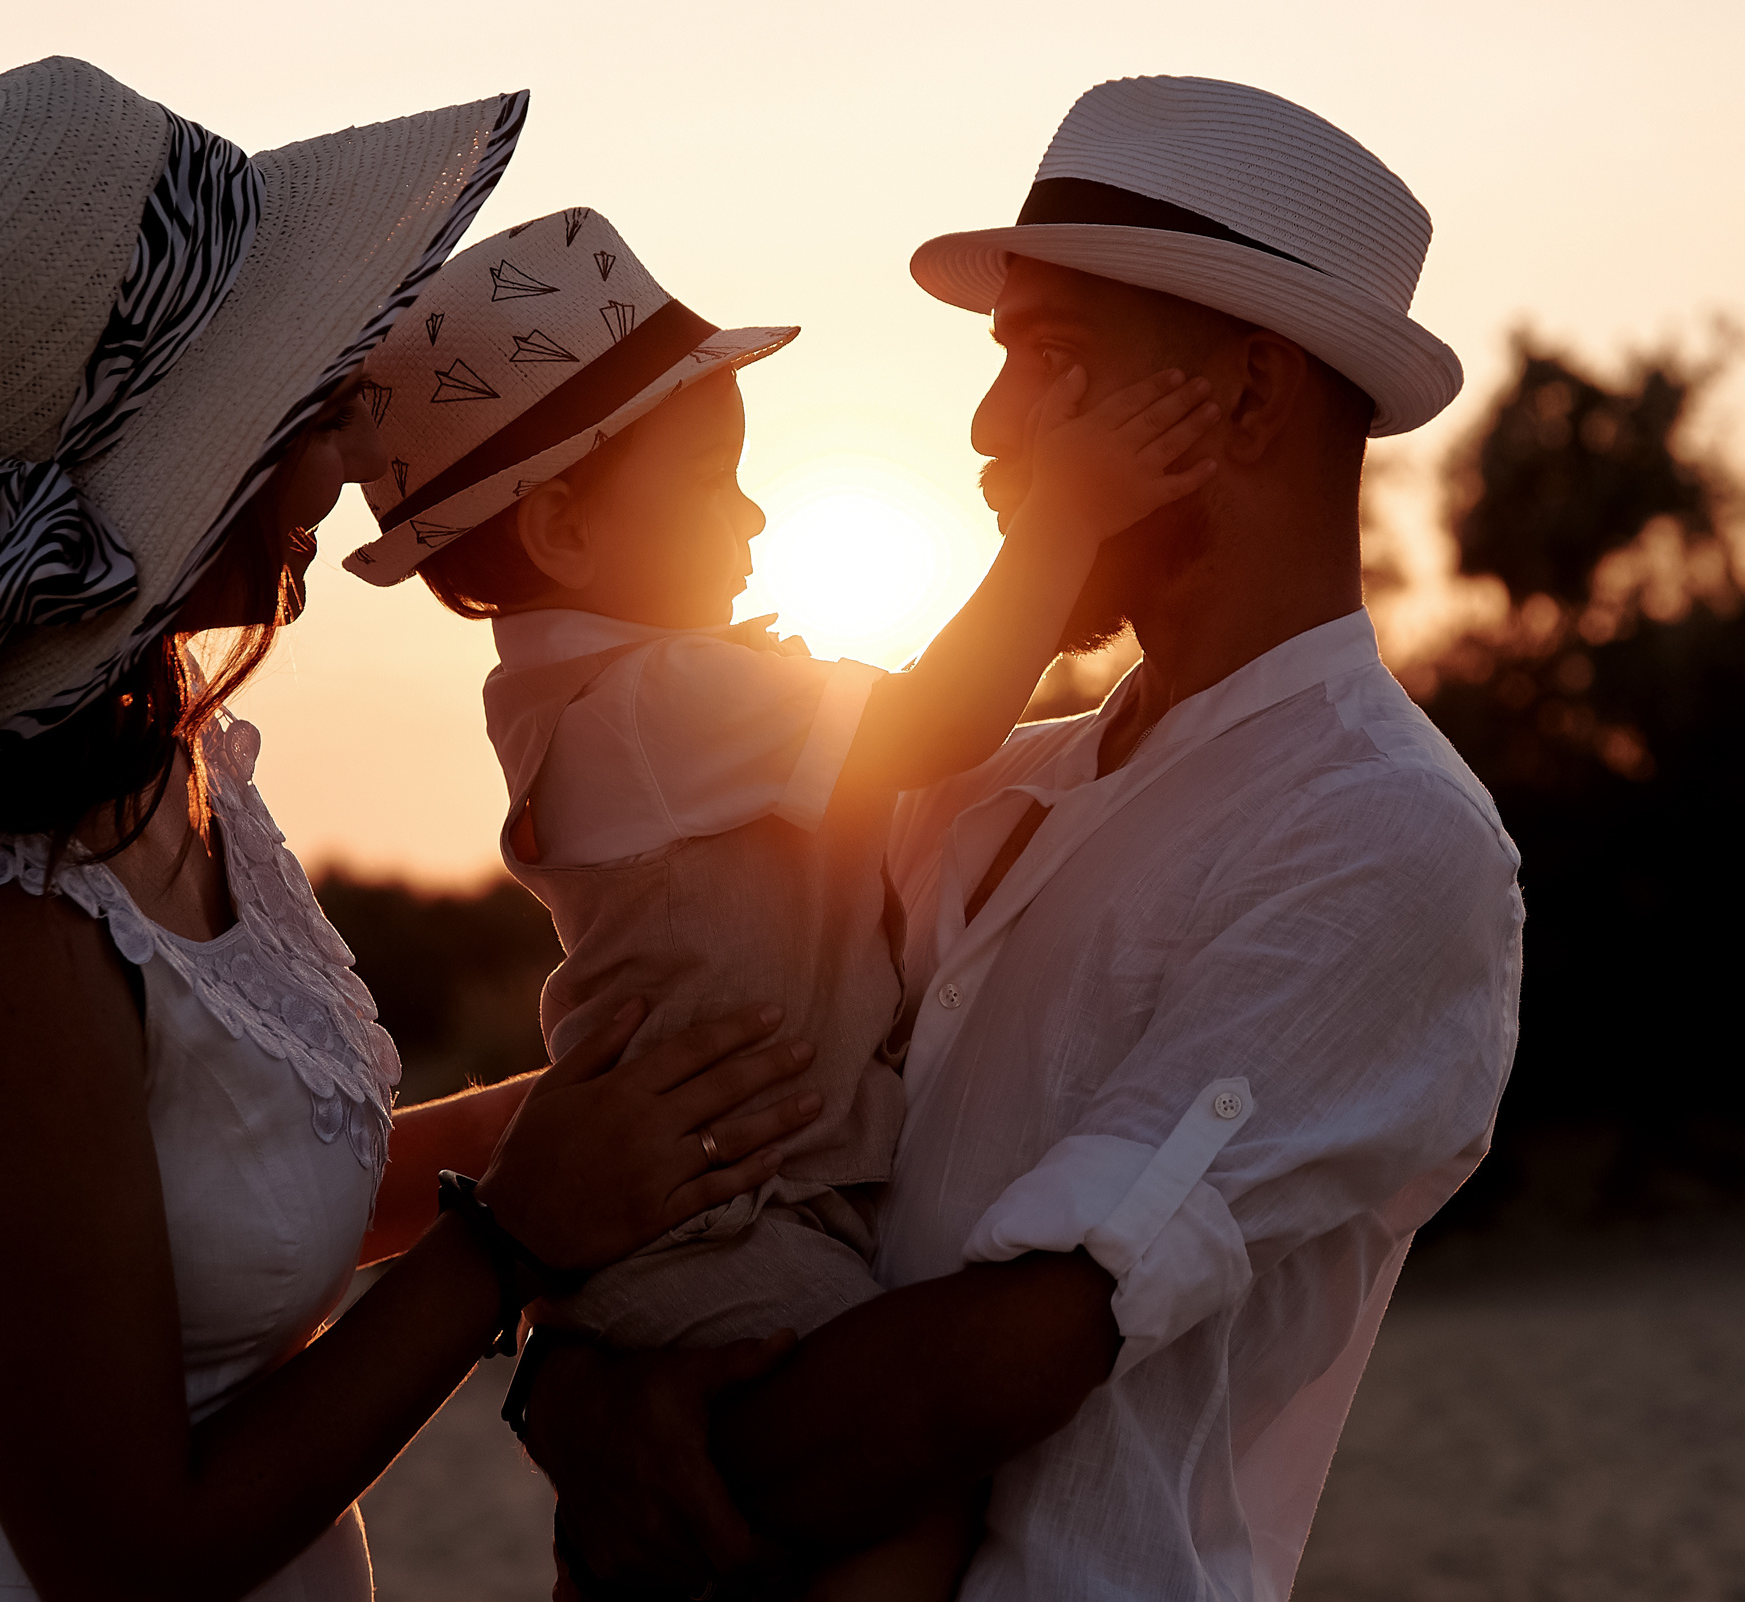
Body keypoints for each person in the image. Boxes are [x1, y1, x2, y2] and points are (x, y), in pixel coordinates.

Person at [0, 58, 826, 1602]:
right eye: (301, 391)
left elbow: (214, 1197)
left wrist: (645, 1100)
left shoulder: (157, 748)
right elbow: (127, 1553)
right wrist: (511, 1240)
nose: (348, 446)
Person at [513, 76, 1526, 1601]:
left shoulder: (1382, 834)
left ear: (1247, 401)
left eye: (1048, 366)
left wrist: (633, 1444)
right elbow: (709, 1125)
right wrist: (569, 1385)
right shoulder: (973, 785)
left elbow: (1014, 1350)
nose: (987, 431)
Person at [348, 211, 1219, 1593]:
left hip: (729, 1213)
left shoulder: (637, 701)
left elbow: (927, 721)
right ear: (569, 525)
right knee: (901, 1506)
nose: (754, 514)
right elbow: (934, 722)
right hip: (723, 1221)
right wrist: (1067, 513)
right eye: (714, 478)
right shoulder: (654, 703)